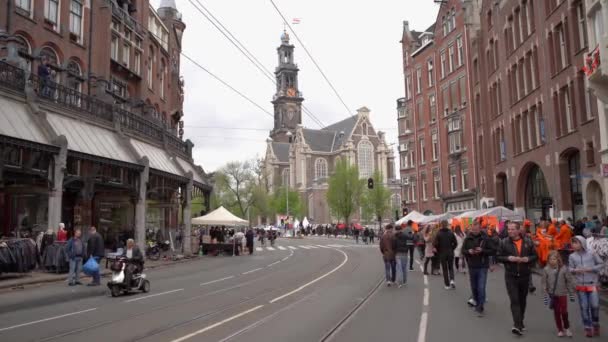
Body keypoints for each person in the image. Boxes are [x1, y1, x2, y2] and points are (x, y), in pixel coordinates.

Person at [497, 221, 538, 336]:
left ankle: (520, 321)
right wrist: (508, 258)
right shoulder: (504, 242)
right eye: (508, 229)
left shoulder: (528, 242)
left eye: (512, 229)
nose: (510, 231)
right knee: (514, 300)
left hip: (524, 275)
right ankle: (517, 325)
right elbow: (498, 257)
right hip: (511, 276)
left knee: (522, 300)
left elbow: (535, 256)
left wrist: (527, 259)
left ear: (518, 230)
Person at [569, 236, 604, 337]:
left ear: (582, 243)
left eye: (575, 242)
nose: (573, 245)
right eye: (572, 243)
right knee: (584, 307)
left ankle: (595, 324)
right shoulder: (572, 256)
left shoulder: (592, 253)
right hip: (580, 286)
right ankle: (587, 327)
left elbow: (601, 264)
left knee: (595, 306)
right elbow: (570, 269)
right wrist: (576, 270)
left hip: (592, 284)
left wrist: (591, 269)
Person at [463, 220, 494, 316]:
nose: (474, 231)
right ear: (471, 228)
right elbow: (463, 251)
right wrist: (469, 252)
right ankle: (476, 301)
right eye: (473, 229)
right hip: (472, 265)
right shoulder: (467, 239)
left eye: (476, 229)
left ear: (480, 228)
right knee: (474, 287)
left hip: (482, 266)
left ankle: (480, 306)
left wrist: (482, 250)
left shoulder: (485, 238)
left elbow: (493, 250)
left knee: (481, 286)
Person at [542, 250, 576, 337]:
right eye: (550, 259)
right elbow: (544, 282)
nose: (552, 261)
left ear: (558, 259)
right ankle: (560, 329)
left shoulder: (564, 269)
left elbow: (569, 281)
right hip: (553, 294)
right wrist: (545, 292)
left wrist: (571, 293)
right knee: (557, 312)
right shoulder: (546, 269)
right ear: (548, 260)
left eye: (554, 259)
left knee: (564, 311)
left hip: (562, 293)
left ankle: (567, 328)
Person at [434, 220, 457, 290]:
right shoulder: (451, 233)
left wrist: (438, 250)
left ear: (441, 225)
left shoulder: (438, 233)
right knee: (451, 267)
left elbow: (435, 244)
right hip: (450, 252)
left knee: (444, 269)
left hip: (442, 253)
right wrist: (452, 249)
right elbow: (455, 243)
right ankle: (452, 280)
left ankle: (447, 284)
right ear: (447, 225)